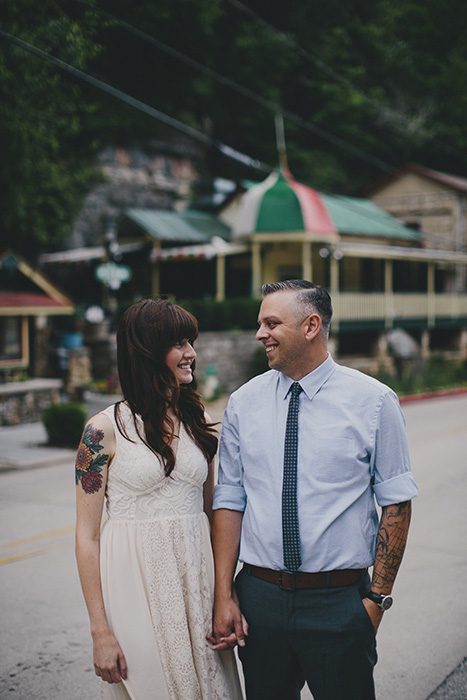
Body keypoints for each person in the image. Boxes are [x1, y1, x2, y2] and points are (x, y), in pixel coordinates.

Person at [210, 280, 418, 700]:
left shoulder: (374, 402)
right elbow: (230, 499)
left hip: (339, 603)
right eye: (259, 323)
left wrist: (376, 600)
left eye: (271, 323)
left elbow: (396, 503)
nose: (259, 334)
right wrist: (223, 594)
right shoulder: (243, 403)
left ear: (311, 325)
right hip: (260, 602)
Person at [75, 298, 242, 700]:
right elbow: (87, 536)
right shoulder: (102, 431)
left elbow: (211, 512)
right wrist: (100, 632)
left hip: (197, 583)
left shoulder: (193, 422)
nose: (192, 354)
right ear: (148, 351)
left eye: (191, 342)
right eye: (180, 344)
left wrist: (225, 594)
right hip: (135, 589)